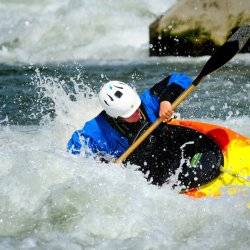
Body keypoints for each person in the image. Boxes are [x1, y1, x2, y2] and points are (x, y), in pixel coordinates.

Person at [67, 73, 222, 189]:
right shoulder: (98, 131)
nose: (137, 113)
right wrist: (103, 165)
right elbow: (73, 152)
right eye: (130, 114)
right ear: (115, 117)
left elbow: (180, 78)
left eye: (136, 107)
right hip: (144, 171)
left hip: (166, 149)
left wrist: (166, 100)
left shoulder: (147, 102)